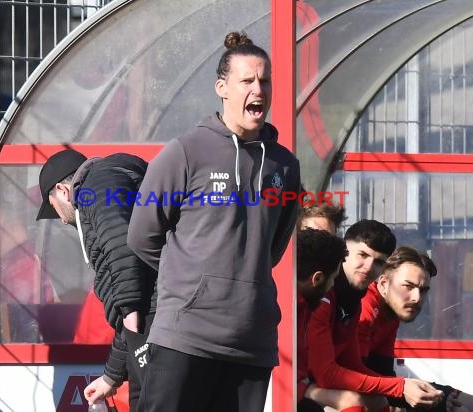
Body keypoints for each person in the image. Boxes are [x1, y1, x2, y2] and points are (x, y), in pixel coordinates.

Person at [127, 31, 301, 412]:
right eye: (247, 81)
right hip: (185, 336)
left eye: (264, 80)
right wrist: (192, 278)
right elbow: (142, 235)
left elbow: (272, 246)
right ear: (222, 88)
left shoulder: (285, 165)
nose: (259, 89)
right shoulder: (186, 151)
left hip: (251, 342)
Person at [36, 149, 157, 411]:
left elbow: (121, 247)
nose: (58, 216)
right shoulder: (113, 183)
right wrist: (111, 377)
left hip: (157, 332)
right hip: (155, 328)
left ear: (62, 190)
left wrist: (129, 308)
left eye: (52, 204)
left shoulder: (97, 184)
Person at [306, 219, 444, 411]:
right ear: (344, 252)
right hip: (292, 380)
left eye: (379, 262)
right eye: (362, 255)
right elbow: (325, 374)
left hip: (315, 381)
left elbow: (353, 364)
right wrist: (400, 387)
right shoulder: (324, 294)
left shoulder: (353, 299)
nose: (369, 267)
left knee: (378, 401)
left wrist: (404, 387)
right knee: (351, 401)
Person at [359, 246, 473, 412]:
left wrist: (432, 396)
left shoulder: (393, 312)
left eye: (423, 290)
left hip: (386, 387)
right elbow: (356, 378)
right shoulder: (364, 308)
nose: (416, 298)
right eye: (408, 286)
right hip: (358, 391)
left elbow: (384, 371)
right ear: (383, 284)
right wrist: (404, 391)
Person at [296, 228, 349, 412]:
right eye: (333, 279)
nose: (333, 286)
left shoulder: (302, 307)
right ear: (317, 278)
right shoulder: (293, 310)